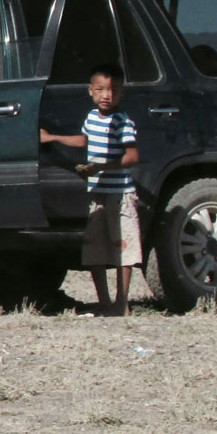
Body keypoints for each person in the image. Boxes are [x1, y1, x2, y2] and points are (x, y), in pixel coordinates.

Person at [41, 64, 142, 316]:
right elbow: (84, 140)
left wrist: (101, 167)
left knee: (123, 247)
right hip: (97, 194)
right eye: (100, 89)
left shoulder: (123, 122)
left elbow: (132, 156)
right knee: (95, 247)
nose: (106, 95)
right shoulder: (91, 118)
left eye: (113, 90)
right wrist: (53, 137)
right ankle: (104, 301)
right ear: (90, 91)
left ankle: (122, 301)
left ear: (122, 93)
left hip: (120, 195)